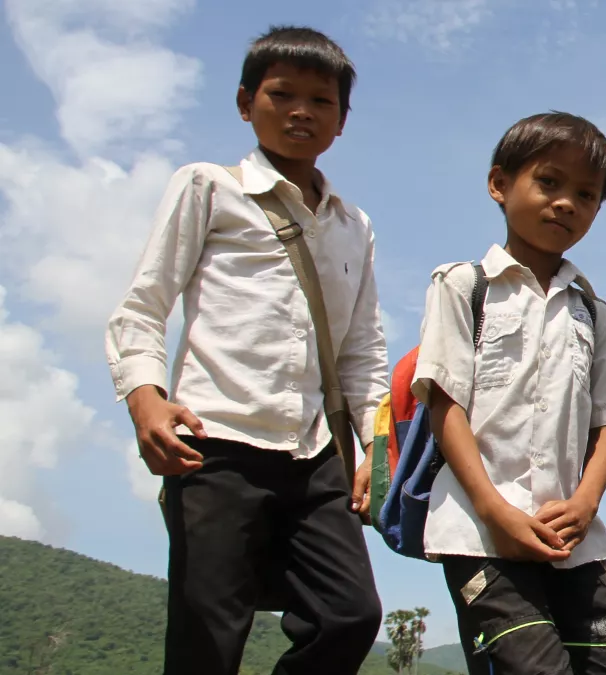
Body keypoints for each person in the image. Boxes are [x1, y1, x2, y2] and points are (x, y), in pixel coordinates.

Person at [103, 25, 385, 675]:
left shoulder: (353, 224)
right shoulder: (207, 187)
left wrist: (378, 446)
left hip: (313, 453)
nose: (300, 112)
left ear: (342, 120)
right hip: (215, 439)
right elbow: (143, 306)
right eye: (281, 94)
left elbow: (363, 350)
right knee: (209, 629)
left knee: (350, 613)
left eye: (322, 101)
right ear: (244, 102)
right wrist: (147, 401)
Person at [412, 111, 606, 675]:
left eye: (586, 194)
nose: (566, 202)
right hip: (481, 534)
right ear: (499, 184)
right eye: (549, 182)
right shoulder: (463, 287)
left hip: (574, 541)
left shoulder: (596, 315)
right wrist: (495, 510)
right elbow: (446, 405)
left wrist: (586, 503)